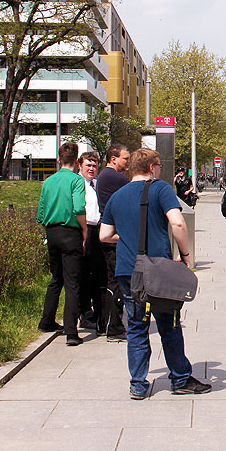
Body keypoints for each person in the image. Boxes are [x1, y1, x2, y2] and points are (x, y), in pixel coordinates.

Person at [99, 148, 211, 400]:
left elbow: (104, 236)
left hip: (129, 270)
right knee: (168, 324)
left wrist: (127, 238)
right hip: (158, 269)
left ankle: (138, 384)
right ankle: (180, 378)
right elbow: (178, 222)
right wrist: (185, 256)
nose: (160, 169)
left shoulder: (117, 197)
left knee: (137, 326)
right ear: (151, 168)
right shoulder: (160, 189)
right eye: (158, 165)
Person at [36, 142, 87, 346]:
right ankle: (71, 331)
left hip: (52, 232)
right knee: (73, 283)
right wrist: (83, 230)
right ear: (76, 160)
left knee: (56, 278)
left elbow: (41, 211)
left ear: (58, 160)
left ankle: (46, 320)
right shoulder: (77, 180)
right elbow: (78, 207)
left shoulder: (48, 181)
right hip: (70, 232)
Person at [95, 144, 130, 342]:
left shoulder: (104, 177)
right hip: (114, 237)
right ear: (113, 158)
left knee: (110, 281)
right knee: (116, 282)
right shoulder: (117, 178)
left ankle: (106, 323)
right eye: (125, 158)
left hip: (108, 234)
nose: (128, 162)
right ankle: (114, 327)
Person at [76, 151, 103, 332]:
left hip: (97, 229)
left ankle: (92, 310)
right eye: (88, 165)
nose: (91, 169)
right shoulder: (78, 184)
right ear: (80, 166)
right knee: (84, 274)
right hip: (84, 229)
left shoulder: (95, 184)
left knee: (94, 272)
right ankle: (83, 312)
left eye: (94, 166)